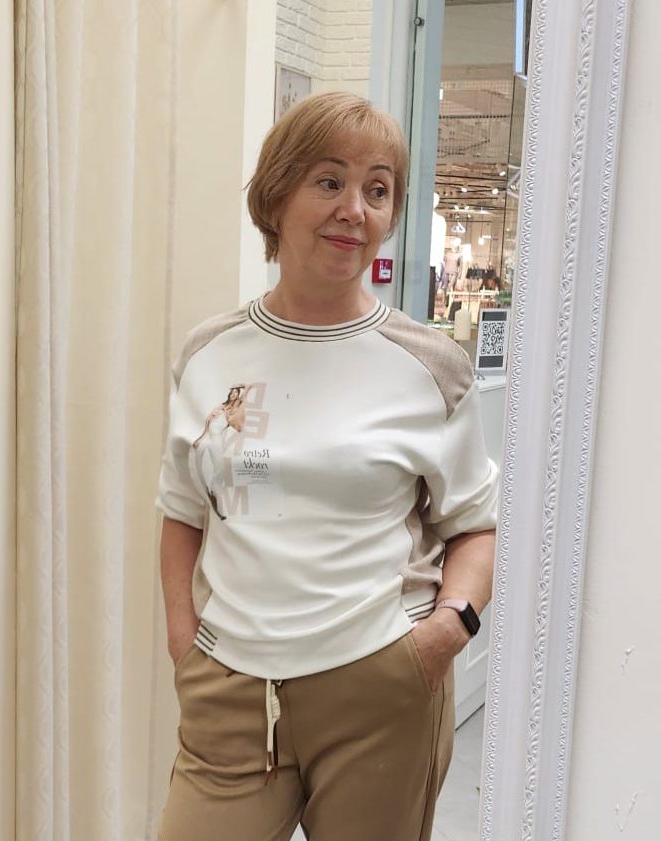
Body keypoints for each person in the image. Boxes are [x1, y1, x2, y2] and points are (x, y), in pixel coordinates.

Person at [155, 91, 499, 841]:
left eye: (378, 189)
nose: (354, 210)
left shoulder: (430, 365)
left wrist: (444, 634)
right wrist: (185, 645)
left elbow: (475, 525)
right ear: (277, 195)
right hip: (229, 687)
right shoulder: (208, 354)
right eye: (330, 181)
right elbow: (182, 511)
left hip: (380, 682)